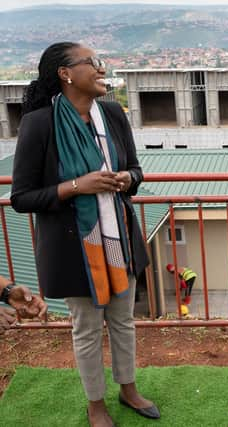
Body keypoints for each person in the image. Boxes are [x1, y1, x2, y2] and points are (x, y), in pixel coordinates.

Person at [11, 42, 160, 427]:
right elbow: (22, 197)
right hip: (74, 248)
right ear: (66, 73)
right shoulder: (39, 123)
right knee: (88, 328)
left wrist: (128, 178)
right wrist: (78, 185)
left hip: (119, 241)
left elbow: (136, 171)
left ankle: (128, 390)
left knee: (124, 322)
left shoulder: (111, 114)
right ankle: (96, 404)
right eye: (92, 63)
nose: (100, 69)